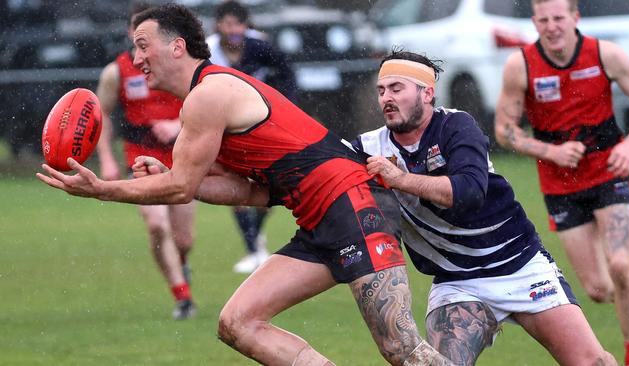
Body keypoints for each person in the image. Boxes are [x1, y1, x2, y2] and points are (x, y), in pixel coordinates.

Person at [37, 4, 452, 365]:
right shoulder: (203, 99)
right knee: (237, 322)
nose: (136, 56)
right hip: (320, 218)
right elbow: (251, 192)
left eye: (143, 45)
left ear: (177, 46)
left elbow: (180, 189)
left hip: (356, 205)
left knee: (402, 350)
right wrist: (176, 179)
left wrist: (101, 189)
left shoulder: (209, 95)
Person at [353, 49, 616, 365]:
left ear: (427, 93)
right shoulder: (367, 148)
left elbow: (468, 192)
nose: (386, 98)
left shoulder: (457, 126)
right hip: (458, 283)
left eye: (397, 88)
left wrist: (400, 179)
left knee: (592, 362)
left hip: (520, 264)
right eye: (382, 90)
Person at [494, 1, 629, 364]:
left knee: (621, 265)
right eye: (543, 20)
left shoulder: (604, 54)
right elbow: (504, 130)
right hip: (560, 185)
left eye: (559, 18)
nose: (551, 26)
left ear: (575, 19)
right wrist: (551, 152)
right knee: (597, 289)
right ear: (535, 22)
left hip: (610, 171)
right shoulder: (521, 65)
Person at [94, 1, 197, 320]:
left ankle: (181, 263)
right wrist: (107, 158)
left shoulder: (183, 66)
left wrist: (177, 125)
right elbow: (100, 115)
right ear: (130, 32)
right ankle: (182, 297)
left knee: (184, 239)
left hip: (182, 157)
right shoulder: (116, 71)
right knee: (156, 225)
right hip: (140, 157)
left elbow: (209, 105)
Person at [206, 0, 298, 273]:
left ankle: (255, 241)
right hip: (226, 128)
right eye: (228, 23)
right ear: (219, 25)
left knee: (268, 187)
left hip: (262, 127)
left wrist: (284, 108)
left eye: (238, 23)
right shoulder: (209, 51)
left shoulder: (261, 47)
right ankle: (253, 249)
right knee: (235, 185)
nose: (233, 29)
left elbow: (287, 76)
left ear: (246, 26)